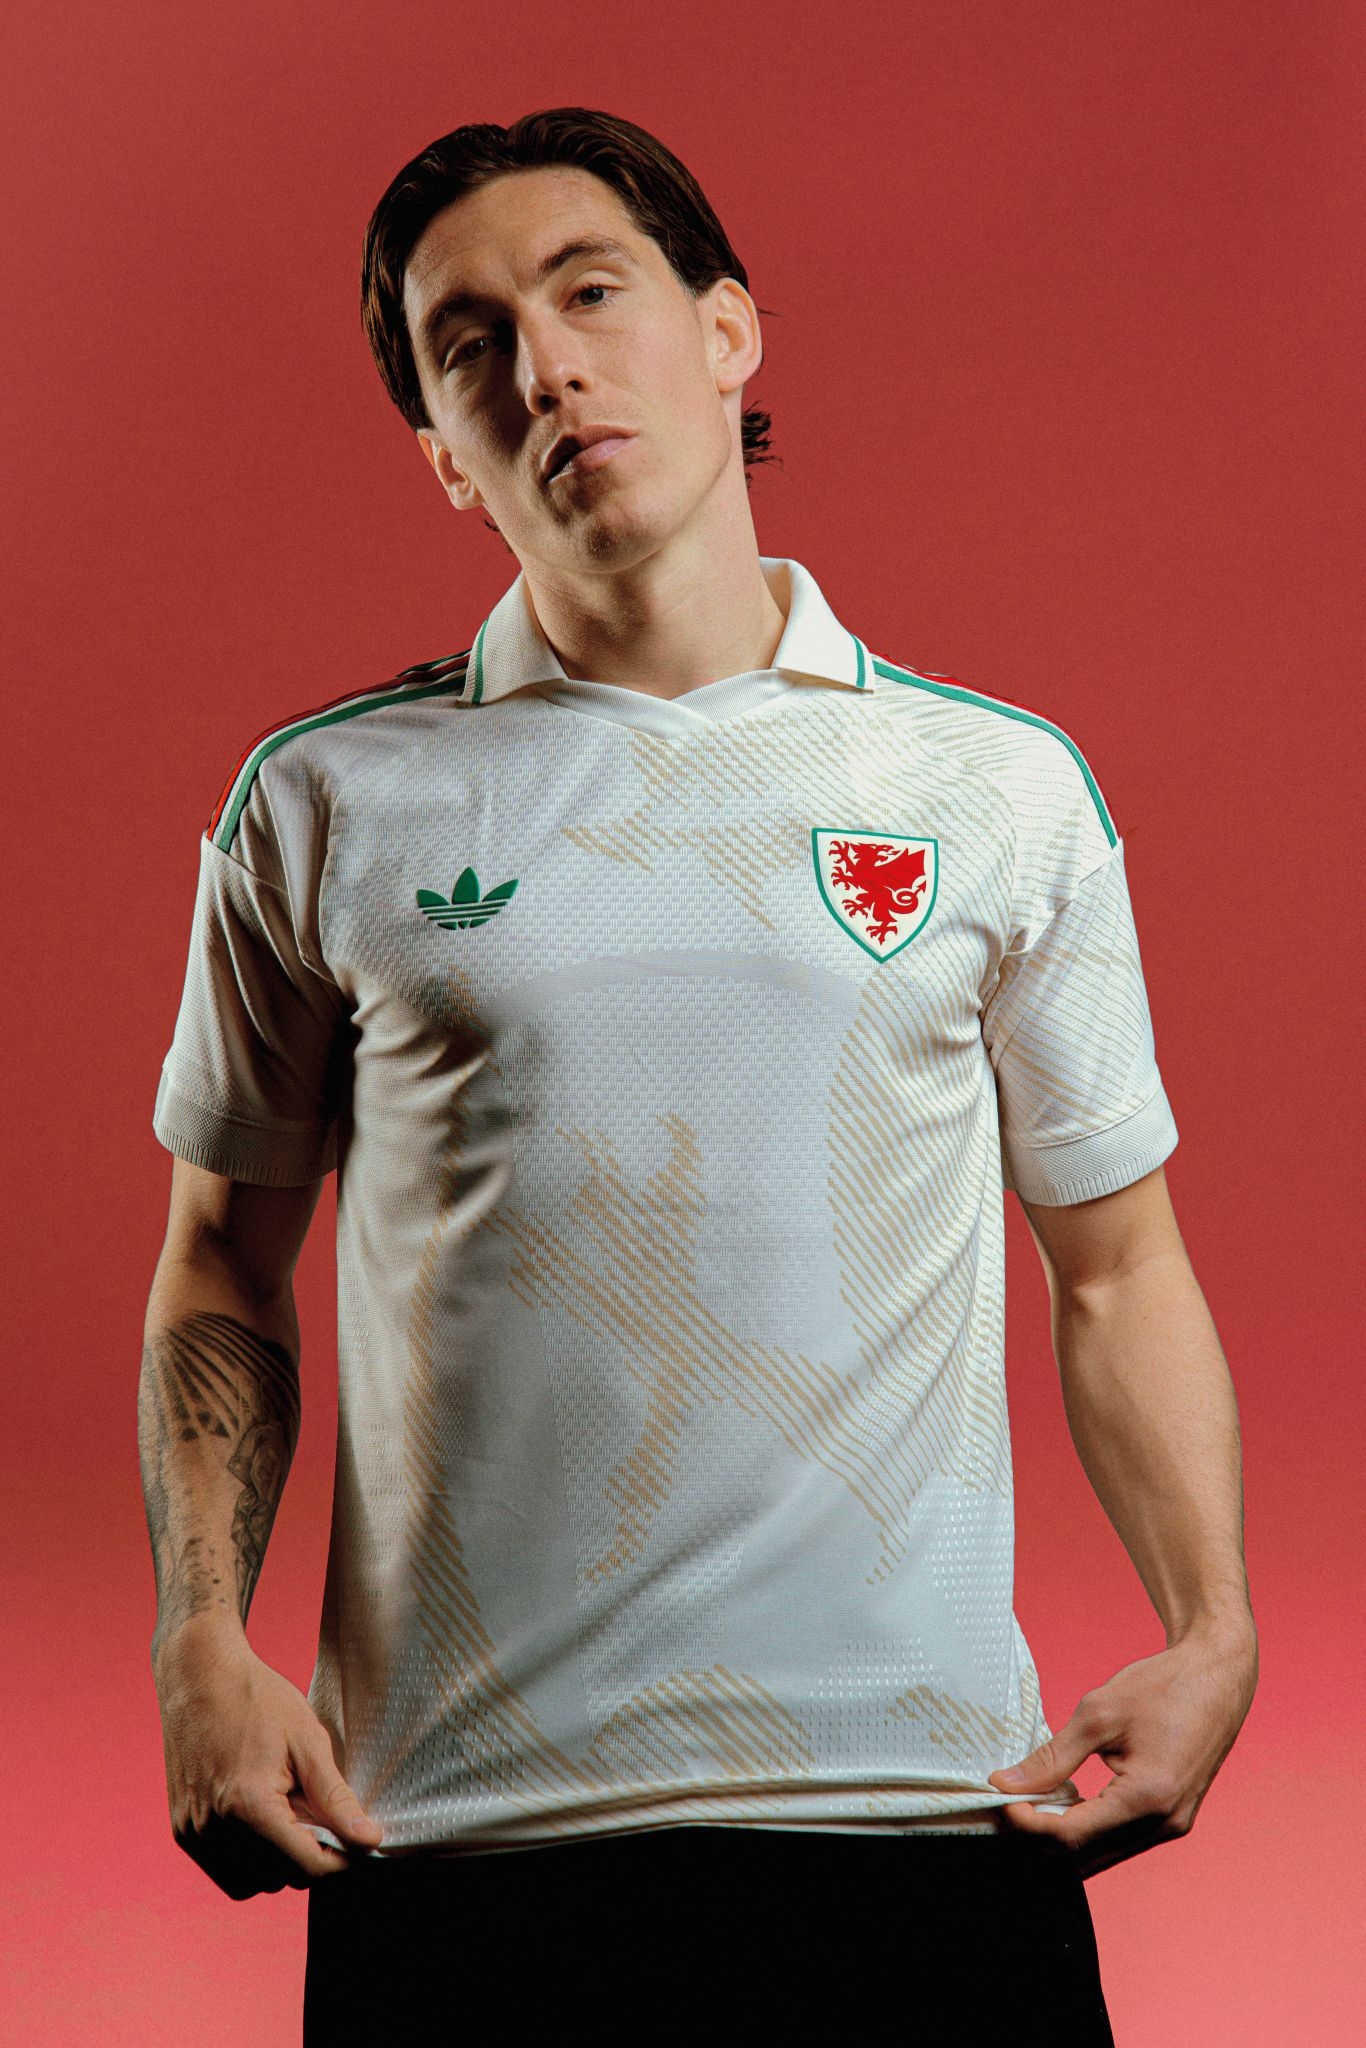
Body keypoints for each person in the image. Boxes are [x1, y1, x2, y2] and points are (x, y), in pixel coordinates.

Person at [139, 107, 1258, 2042]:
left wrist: (1214, 1626)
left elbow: (1117, 1264)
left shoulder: (994, 791)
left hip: (920, 1819)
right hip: (463, 1843)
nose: (545, 367)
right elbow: (220, 1263)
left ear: (727, 330)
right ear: (444, 451)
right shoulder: (323, 803)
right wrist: (192, 1639)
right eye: (470, 345)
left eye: (591, 293)